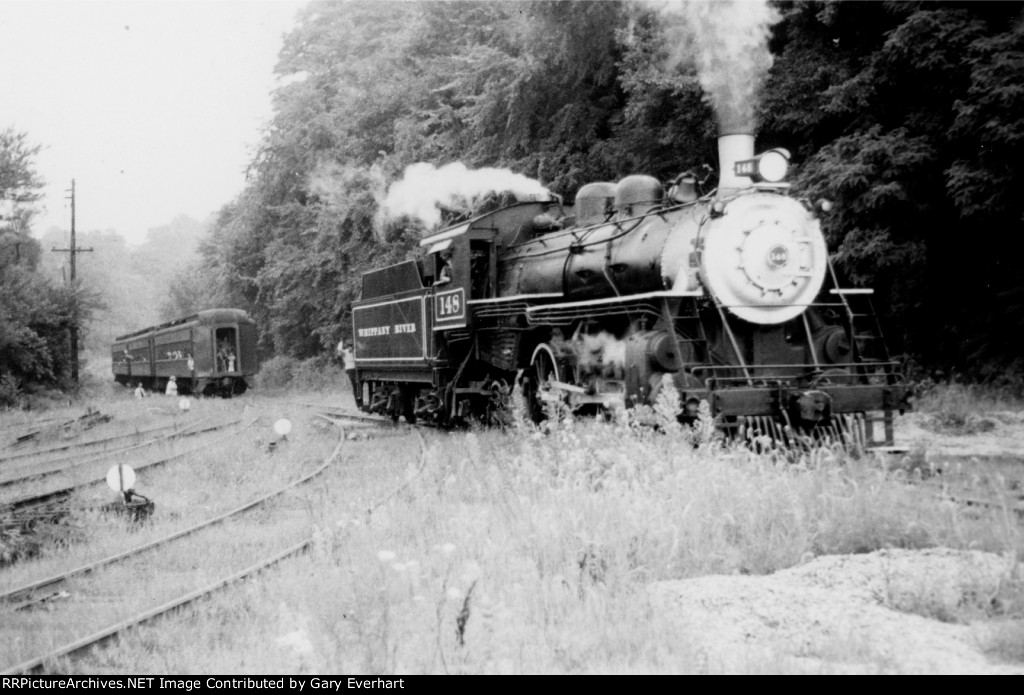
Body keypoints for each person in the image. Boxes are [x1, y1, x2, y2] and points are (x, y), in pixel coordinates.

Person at [337, 340, 360, 407]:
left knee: (357, 384)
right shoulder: (345, 352)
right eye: (350, 346)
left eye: (352, 346)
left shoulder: (354, 352)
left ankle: (359, 401)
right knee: (354, 384)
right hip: (349, 369)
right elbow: (339, 351)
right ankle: (357, 403)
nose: (351, 348)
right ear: (348, 347)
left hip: (355, 369)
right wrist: (341, 342)